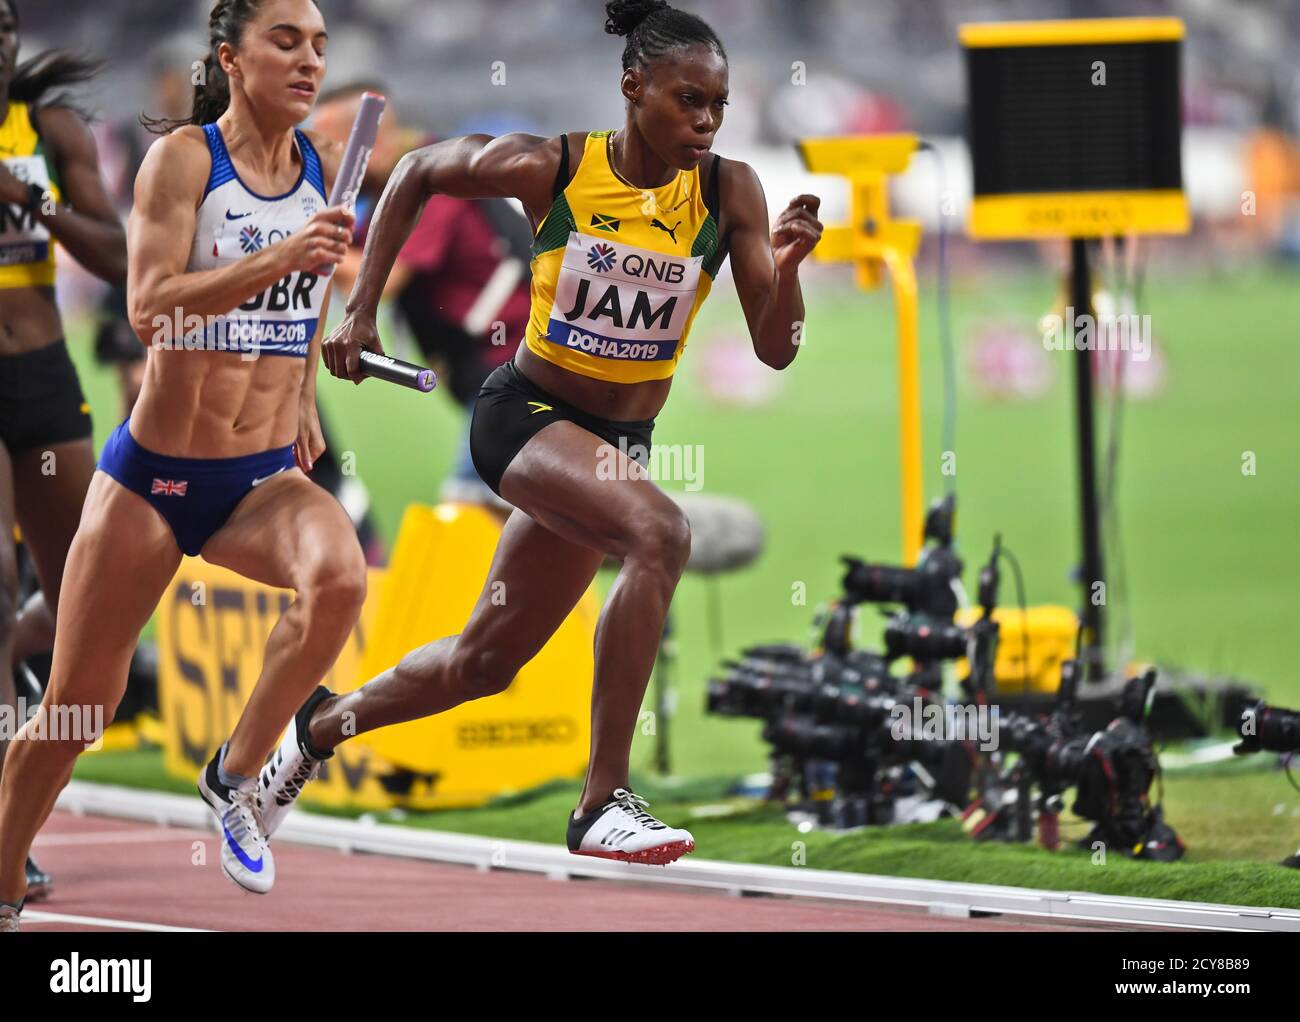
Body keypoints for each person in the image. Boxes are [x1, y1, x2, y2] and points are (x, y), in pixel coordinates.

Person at [258, 0, 822, 866]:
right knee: (660, 533)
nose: (705, 122)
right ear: (633, 88)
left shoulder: (727, 190)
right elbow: (413, 170)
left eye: (718, 105)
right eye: (687, 101)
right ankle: (602, 802)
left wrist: (784, 270)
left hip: (612, 444)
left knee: (484, 665)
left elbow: (777, 350)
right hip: (524, 417)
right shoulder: (555, 166)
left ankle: (319, 727)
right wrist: (361, 310)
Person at [0, 0, 365, 931]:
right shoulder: (185, 162)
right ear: (230, 58)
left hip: (260, 480)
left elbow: (309, 288)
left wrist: (301, 395)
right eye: (285, 40)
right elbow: (154, 305)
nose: (308, 59)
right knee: (80, 709)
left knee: (339, 582)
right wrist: (282, 252)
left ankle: (236, 775)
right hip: (156, 481)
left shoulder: (321, 164)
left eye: (320, 44)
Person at [0, 0, 128, 904]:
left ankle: (22, 803)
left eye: (7, 23)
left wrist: (31, 198)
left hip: (44, 377)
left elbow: (119, 257)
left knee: (87, 592)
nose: (1, 38)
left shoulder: (45, 128)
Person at [313, 83, 534, 505]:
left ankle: (629, 540)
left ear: (367, 143)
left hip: (520, 362)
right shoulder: (392, 188)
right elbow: (347, 273)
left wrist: (301, 239)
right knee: (520, 503)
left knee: (470, 501)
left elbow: (383, 278)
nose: (322, 165)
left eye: (327, 148)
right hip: (494, 368)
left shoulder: (434, 178)